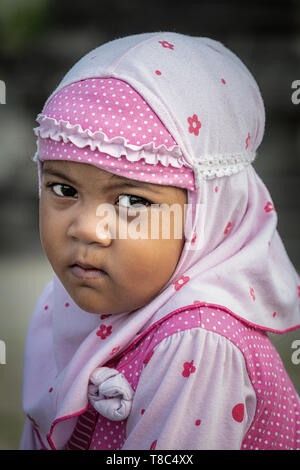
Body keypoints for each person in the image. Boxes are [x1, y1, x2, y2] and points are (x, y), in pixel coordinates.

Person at [20, 32, 300, 450]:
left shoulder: (198, 343)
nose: (86, 229)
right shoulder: (64, 301)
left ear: (208, 213)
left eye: (132, 200)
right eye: (63, 190)